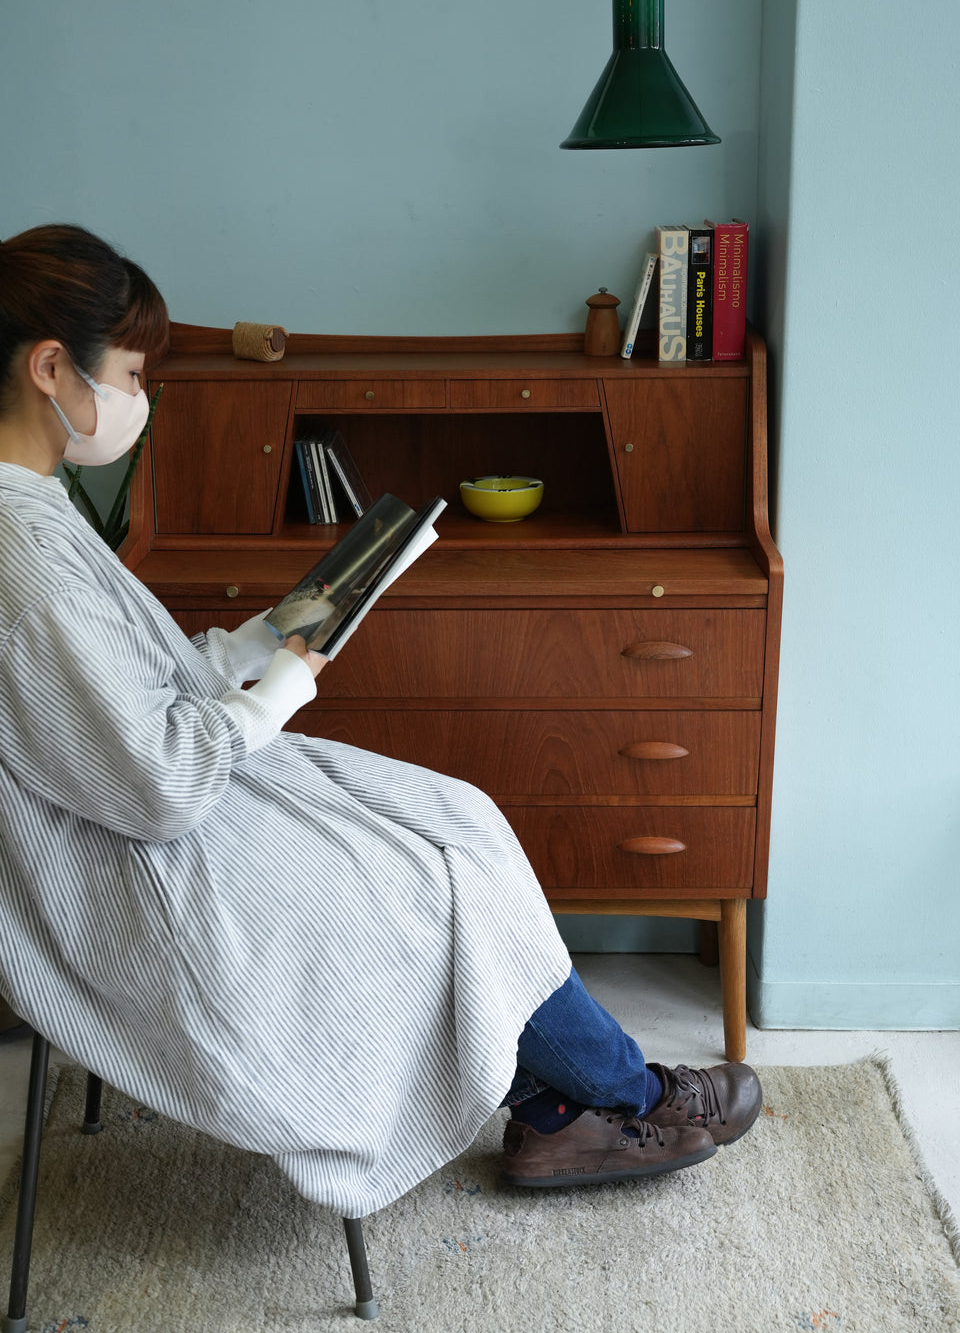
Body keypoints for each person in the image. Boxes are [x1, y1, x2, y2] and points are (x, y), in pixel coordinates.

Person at [0, 224, 761, 1219]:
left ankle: (558, 1104)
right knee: (430, 879)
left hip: (183, 808)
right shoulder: (23, 553)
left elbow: (129, 686)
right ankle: (625, 1096)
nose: (142, 404)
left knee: (459, 820)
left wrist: (272, 635)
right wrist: (282, 682)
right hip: (144, 864)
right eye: (136, 376)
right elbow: (156, 782)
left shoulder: (37, 507)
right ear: (53, 366)